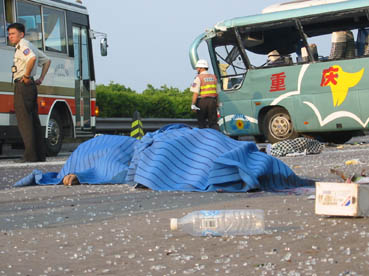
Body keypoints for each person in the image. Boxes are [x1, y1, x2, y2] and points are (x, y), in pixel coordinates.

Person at [7, 22, 51, 162]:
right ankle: (39, 155)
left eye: (13, 34)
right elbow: (47, 60)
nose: (10, 36)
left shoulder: (23, 46)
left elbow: (31, 58)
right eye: (9, 34)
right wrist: (41, 78)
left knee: (24, 121)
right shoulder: (30, 44)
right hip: (30, 85)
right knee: (33, 120)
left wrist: (26, 76)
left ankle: (29, 156)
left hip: (23, 85)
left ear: (21, 34)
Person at [190, 59, 219, 130]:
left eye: (197, 67)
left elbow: (195, 93)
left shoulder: (198, 77)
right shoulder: (214, 77)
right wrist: (217, 103)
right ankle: (216, 138)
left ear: (201, 68)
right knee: (213, 123)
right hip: (212, 101)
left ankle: (203, 139)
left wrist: (193, 104)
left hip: (202, 102)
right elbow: (218, 92)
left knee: (202, 122)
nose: (197, 69)